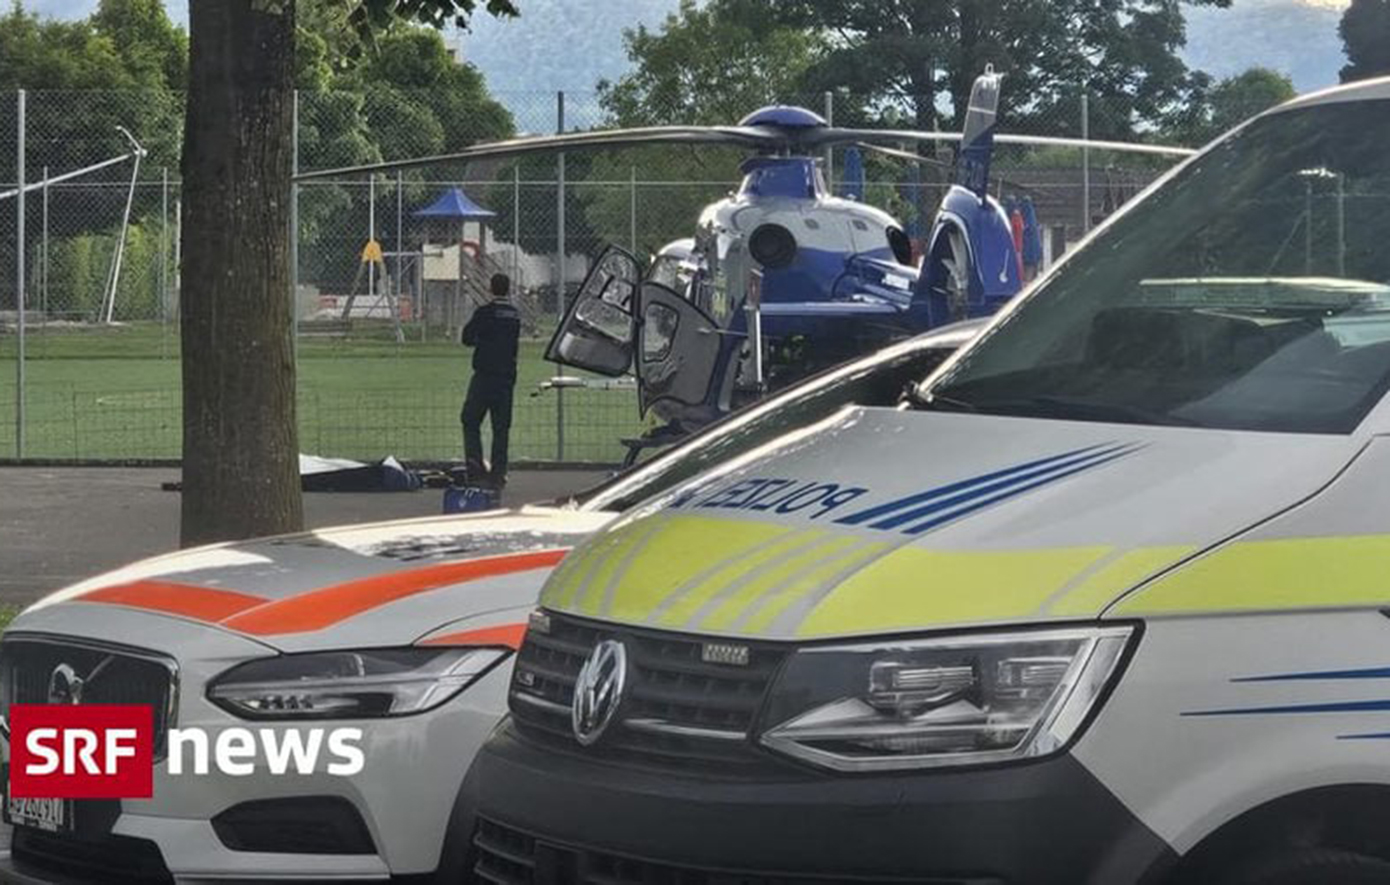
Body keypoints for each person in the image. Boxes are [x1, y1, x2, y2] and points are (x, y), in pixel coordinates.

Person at [460, 274, 521, 487]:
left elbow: (467, 337)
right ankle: (499, 472)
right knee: (501, 427)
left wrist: (481, 341)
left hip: (485, 375)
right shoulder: (514, 315)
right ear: (508, 289)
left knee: (470, 419)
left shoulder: (484, 313)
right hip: (506, 377)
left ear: (490, 288)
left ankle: (475, 468)